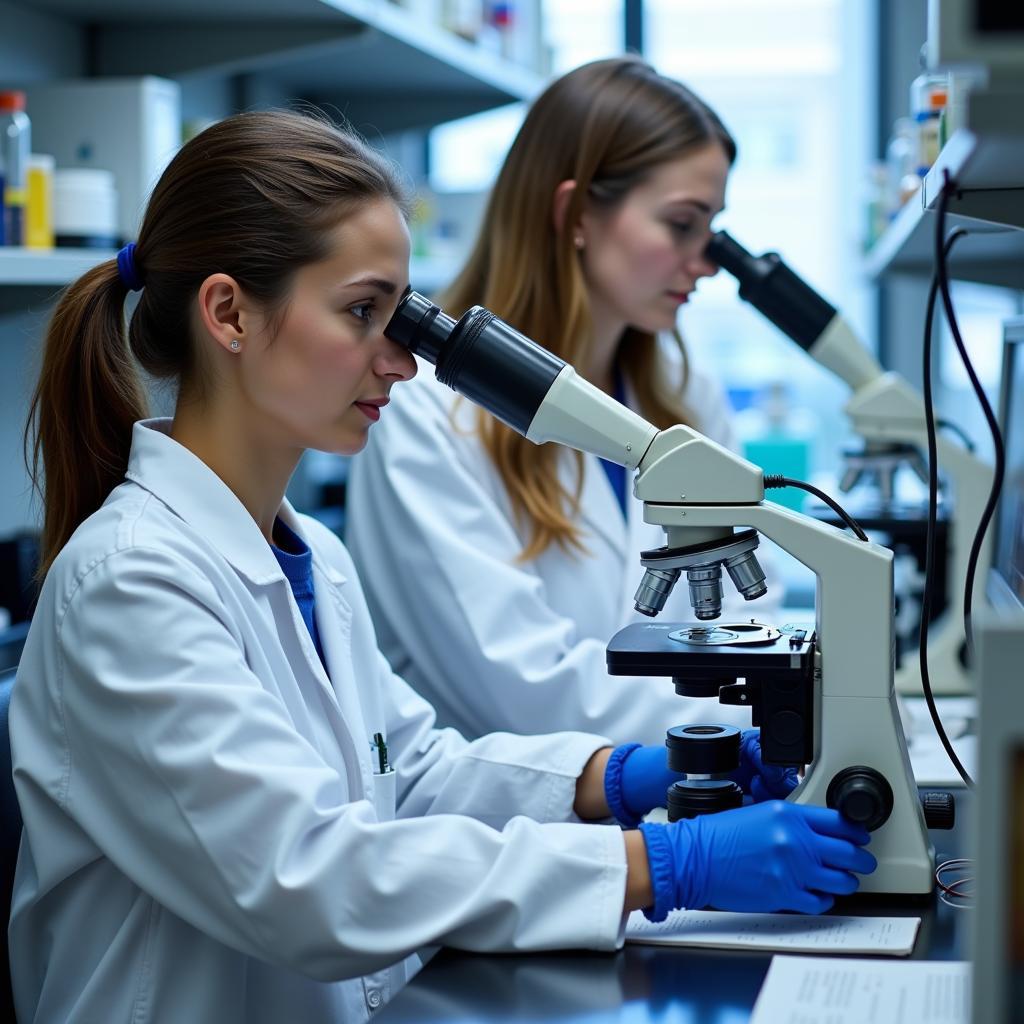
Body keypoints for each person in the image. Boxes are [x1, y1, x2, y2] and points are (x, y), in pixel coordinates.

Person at [10, 110, 874, 1024]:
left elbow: (412, 774)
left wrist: (623, 774)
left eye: (403, 316)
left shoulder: (309, 556)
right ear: (228, 312)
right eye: (363, 312)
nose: (403, 362)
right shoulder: (130, 585)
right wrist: (660, 866)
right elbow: (308, 879)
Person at [346, 56, 775, 744]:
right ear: (575, 212)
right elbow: (530, 694)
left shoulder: (685, 397)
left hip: (691, 797)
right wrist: (767, 722)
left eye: (713, 231)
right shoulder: (426, 415)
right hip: (508, 836)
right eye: (682, 224)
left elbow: (749, 619)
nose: (704, 263)